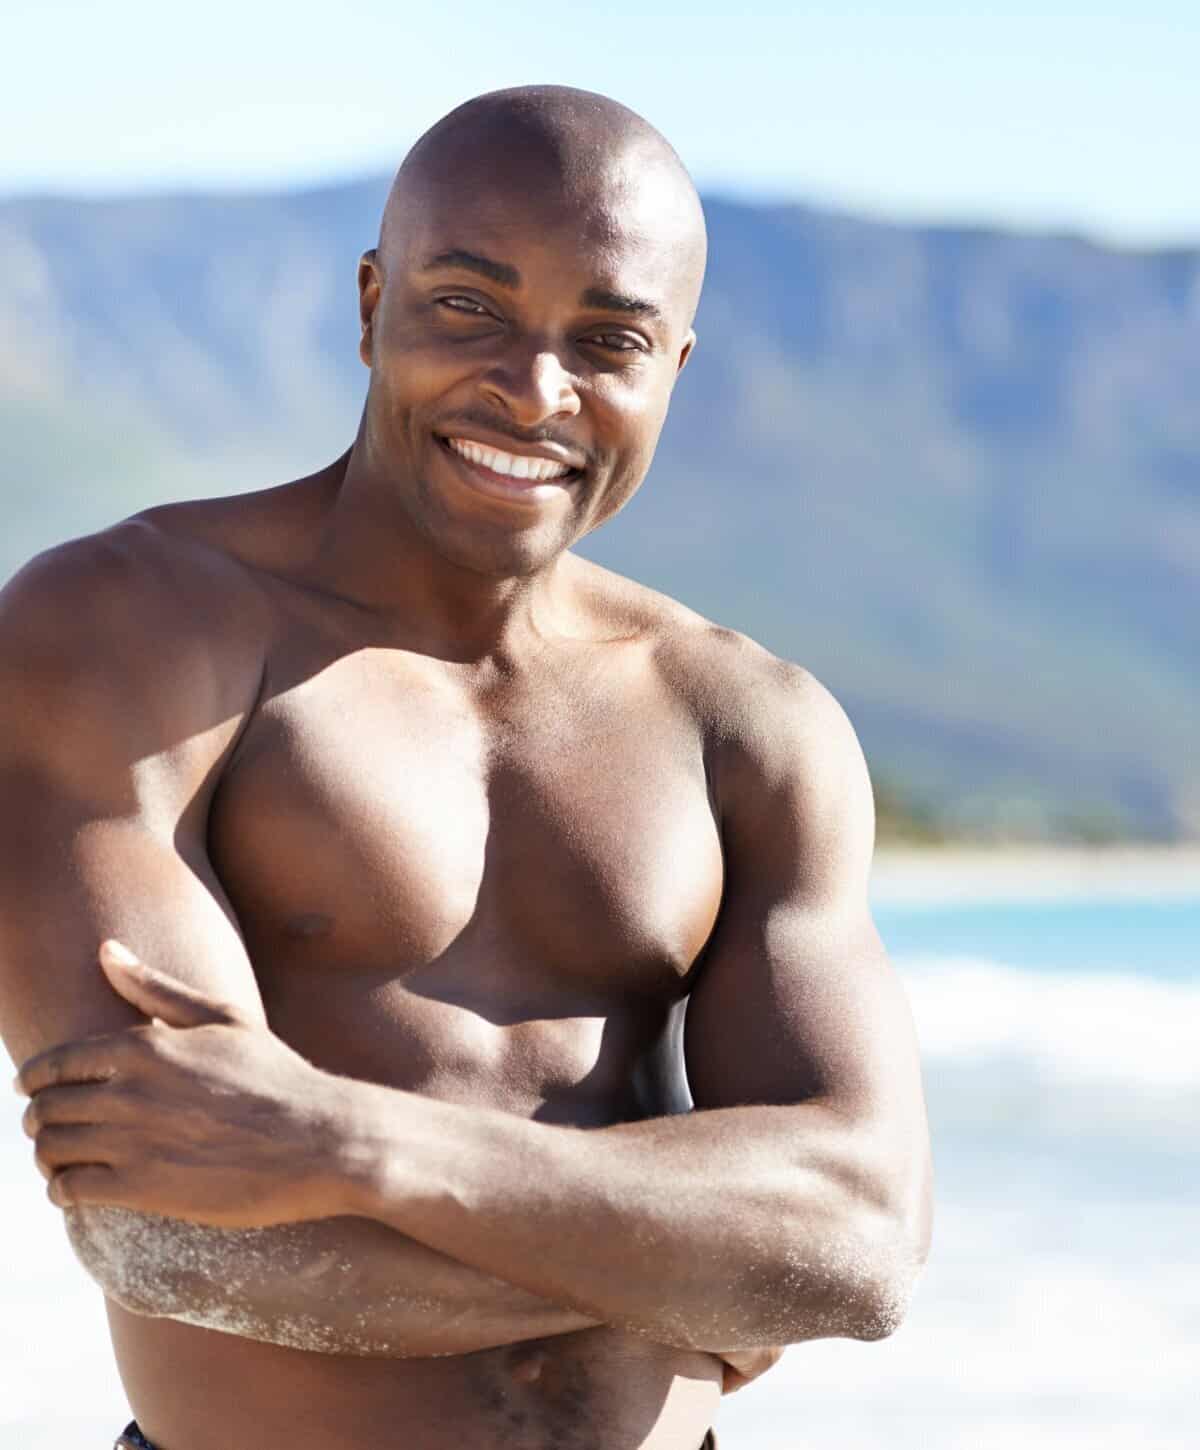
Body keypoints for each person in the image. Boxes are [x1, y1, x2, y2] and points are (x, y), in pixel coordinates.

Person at [0, 85, 932, 1450]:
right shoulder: (124, 635)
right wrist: (684, 1270)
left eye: (606, 339)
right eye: (469, 308)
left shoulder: (748, 721)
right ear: (374, 303)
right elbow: (165, 1227)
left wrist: (346, 1144)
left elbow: (858, 1242)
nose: (533, 386)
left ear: (674, 366)